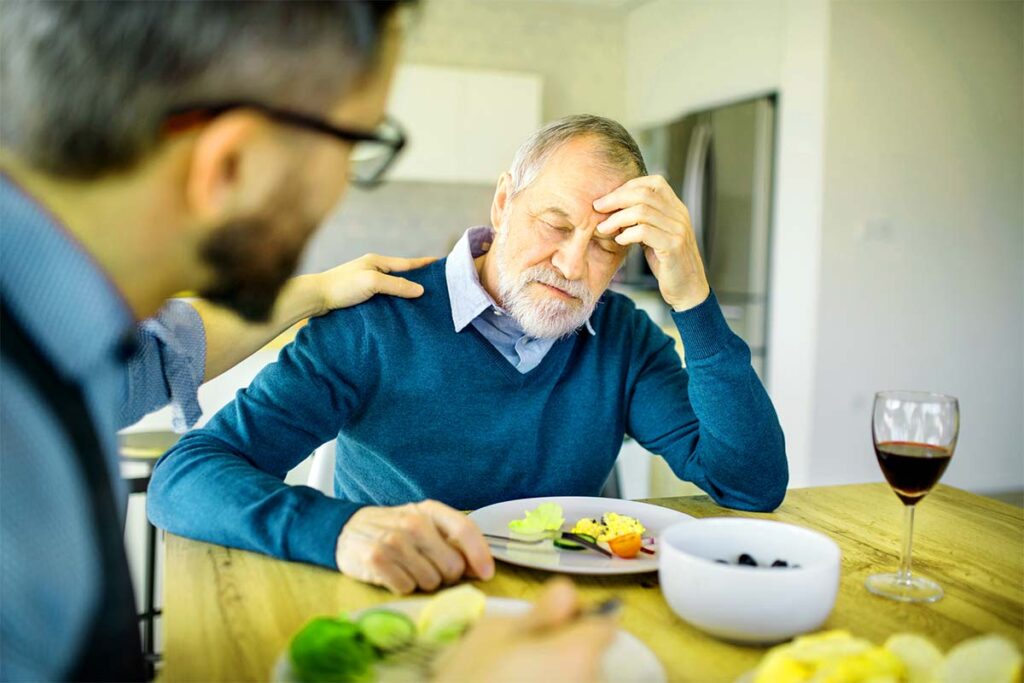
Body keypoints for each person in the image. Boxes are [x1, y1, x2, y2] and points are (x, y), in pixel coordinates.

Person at [0, 2, 614, 680]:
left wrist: (315, 291)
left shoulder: (68, 343)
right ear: (230, 162)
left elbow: (161, 351)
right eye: (357, 142)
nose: (346, 183)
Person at [149, 115, 789, 595]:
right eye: (557, 225)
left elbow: (750, 484)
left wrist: (693, 300)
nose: (572, 265)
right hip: (399, 612)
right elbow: (185, 479)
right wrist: (337, 531)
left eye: (605, 248)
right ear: (505, 200)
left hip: (555, 625)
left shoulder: (623, 337)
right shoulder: (377, 316)